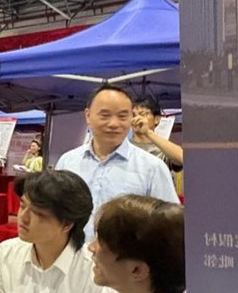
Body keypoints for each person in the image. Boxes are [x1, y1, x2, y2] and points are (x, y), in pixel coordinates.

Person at [55, 85, 179, 241]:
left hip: (126, 255)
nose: (114, 123)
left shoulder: (152, 168)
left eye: (122, 116)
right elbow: (55, 212)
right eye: (105, 115)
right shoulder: (67, 162)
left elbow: (170, 224)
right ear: (88, 115)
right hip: (73, 253)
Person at [131, 96, 183, 172]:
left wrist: (147, 132)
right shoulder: (125, 146)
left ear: (157, 119)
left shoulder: (162, 149)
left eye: (142, 114)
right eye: (133, 115)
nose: (137, 118)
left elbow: (181, 158)